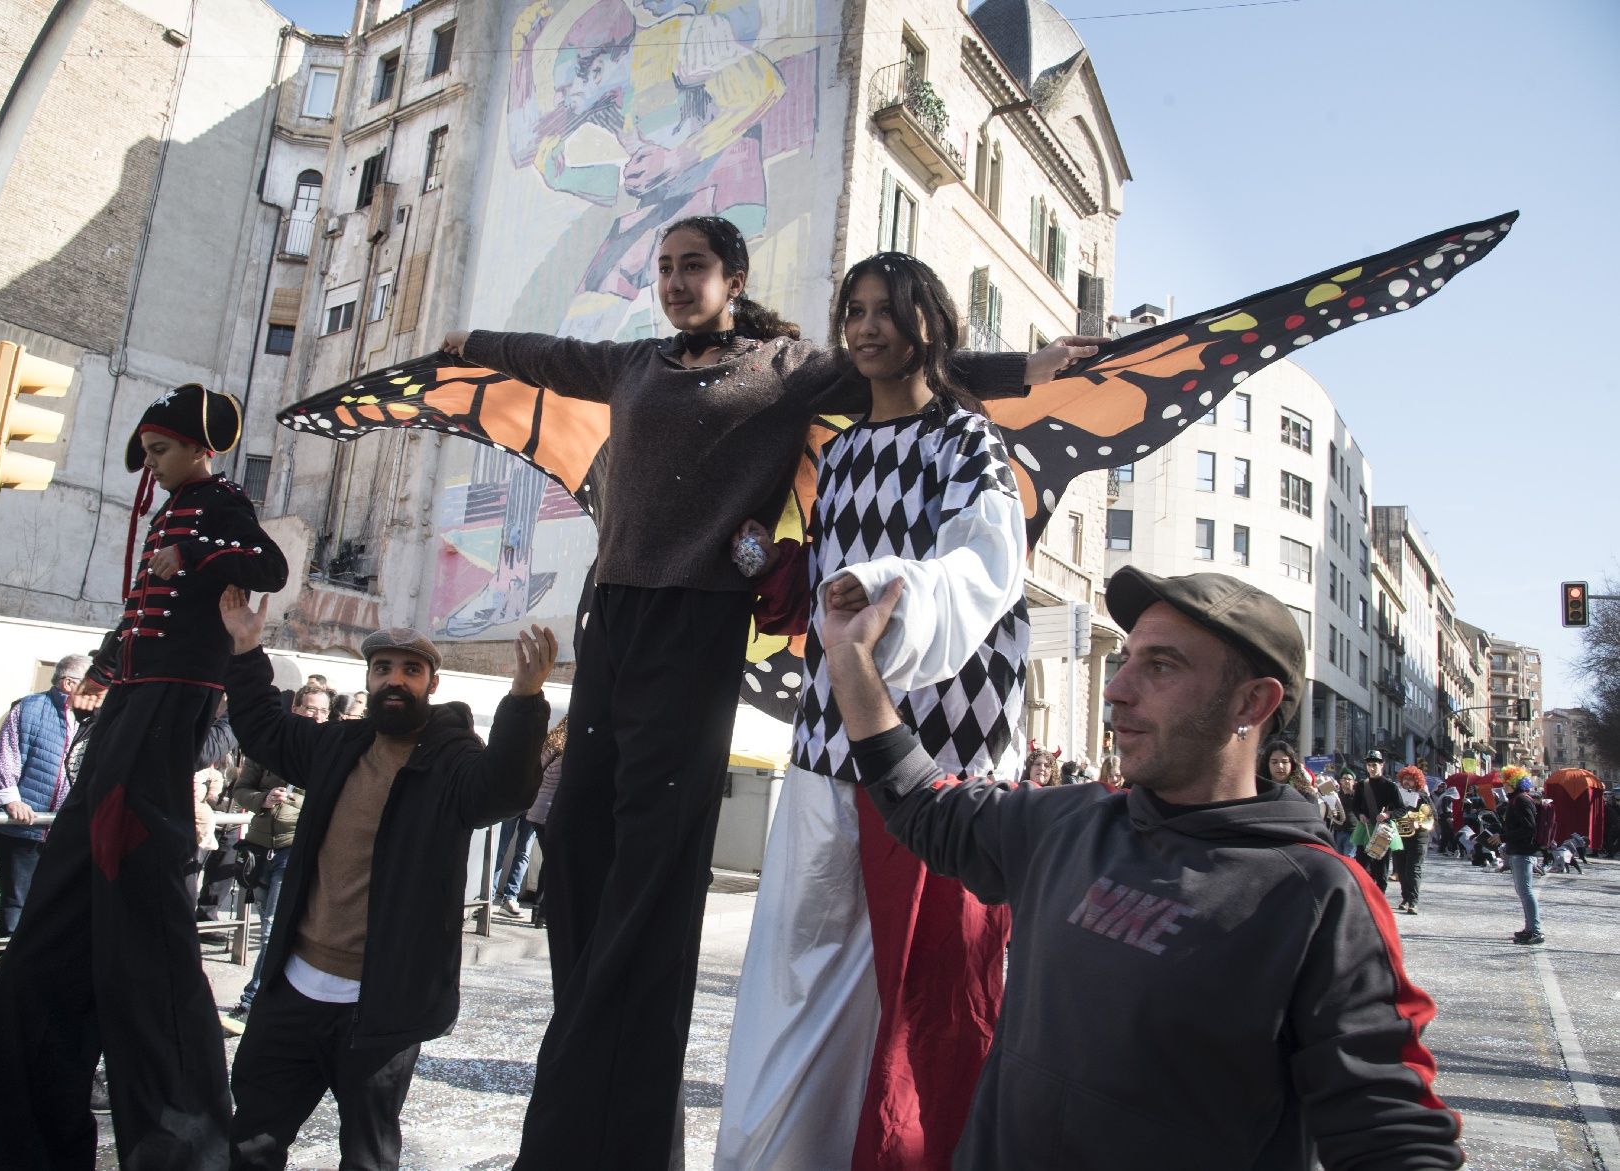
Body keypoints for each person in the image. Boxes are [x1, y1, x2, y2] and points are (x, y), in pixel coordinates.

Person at [442, 214, 1104, 1169]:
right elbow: (556, 356)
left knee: (906, 965)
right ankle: (663, 1079)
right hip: (675, 649)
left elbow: (952, 446)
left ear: (734, 275)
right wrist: (475, 346)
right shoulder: (672, 382)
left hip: (864, 706)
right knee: (597, 847)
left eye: (694, 265)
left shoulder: (800, 373)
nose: (674, 281)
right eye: (664, 267)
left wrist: (1032, 367)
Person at [818, 565, 1463, 1168]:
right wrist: (849, 658)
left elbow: (1390, 1135)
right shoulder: (1065, 823)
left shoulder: (1316, 898)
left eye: (1161, 666)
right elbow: (922, 804)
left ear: (1252, 704)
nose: (1119, 691)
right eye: (1126, 660)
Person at [717, 251, 1029, 1171]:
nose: (861, 327)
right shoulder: (844, 451)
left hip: (937, 746)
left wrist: (889, 590)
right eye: (850, 309)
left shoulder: (967, 443)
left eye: (882, 309)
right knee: (796, 972)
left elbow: (984, 563)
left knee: (931, 992)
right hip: (824, 738)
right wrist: (763, 565)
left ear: (926, 321)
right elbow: (818, 585)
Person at [0, 383, 287, 1171]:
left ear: (201, 448)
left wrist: (199, 555)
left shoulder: (218, 505)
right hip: (136, 704)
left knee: (133, 884)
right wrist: (106, 665)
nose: (154, 466)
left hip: (172, 709)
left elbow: (267, 564)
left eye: (164, 451)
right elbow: (142, 610)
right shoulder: (175, 505)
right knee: (79, 895)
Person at [216, 593, 554, 1171]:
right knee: (249, 1142)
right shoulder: (339, 747)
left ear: (432, 684)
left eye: (411, 670)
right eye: (383, 669)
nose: (395, 680)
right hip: (292, 991)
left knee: (368, 1157)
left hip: (378, 1009)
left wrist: (524, 697)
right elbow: (264, 730)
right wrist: (248, 648)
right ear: (368, 680)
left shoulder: (452, 762)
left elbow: (505, 789)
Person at [228, 684, 329, 1019]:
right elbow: (241, 788)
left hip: (294, 848)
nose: (317, 716)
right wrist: (263, 800)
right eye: (311, 709)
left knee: (272, 927)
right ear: (296, 709)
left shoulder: (331, 749)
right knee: (267, 924)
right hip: (259, 848)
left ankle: (253, 999)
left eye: (323, 711)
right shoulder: (271, 745)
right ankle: (275, 996)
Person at [0, 654, 89, 939]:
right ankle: (7, 961)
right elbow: (6, 756)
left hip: (63, 830)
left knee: (52, 903)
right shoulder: (30, 708)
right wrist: (12, 800)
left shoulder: (93, 720)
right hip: (23, 828)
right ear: (68, 683)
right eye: (91, 682)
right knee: (16, 899)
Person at [526, 717, 569, 930]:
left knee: (549, 861)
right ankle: (543, 913)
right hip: (552, 812)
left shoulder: (551, 744)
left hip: (536, 811)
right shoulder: (570, 752)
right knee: (553, 863)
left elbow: (536, 771)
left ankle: (539, 911)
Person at [1501, 771, 1545, 945]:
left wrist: (1505, 837)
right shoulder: (1516, 799)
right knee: (1523, 891)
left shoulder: (1521, 800)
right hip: (1517, 851)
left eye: (1507, 782)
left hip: (1523, 851)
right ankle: (1529, 929)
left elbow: (1529, 828)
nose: (1504, 785)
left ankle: (1535, 931)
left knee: (1526, 891)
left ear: (1516, 783)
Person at [1352, 749, 1405, 891]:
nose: (1371, 768)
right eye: (1369, 765)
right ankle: (1366, 897)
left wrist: (1387, 815)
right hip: (1365, 829)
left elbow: (1401, 809)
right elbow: (1355, 806)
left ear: (1382, 765)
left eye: (1374, 764)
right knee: (1362, 867)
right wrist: (1360, 815)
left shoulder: (1391, 787)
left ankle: (1380, 897)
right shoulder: (1362, 785)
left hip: (1382, 831)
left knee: (1381, 870)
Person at [1393, 765, 1431, 915]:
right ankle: (1406, 898)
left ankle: (1413, 901)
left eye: (1411, 779)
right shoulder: (1397, 796)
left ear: (1417, 781)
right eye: (1405, 779)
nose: (1407, 782)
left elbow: (1431, 816)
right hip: (1400, 837)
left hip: (1418, 839)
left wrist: (1417, 820)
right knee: (1401, 870)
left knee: (1413, 869)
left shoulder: (1423, 797)